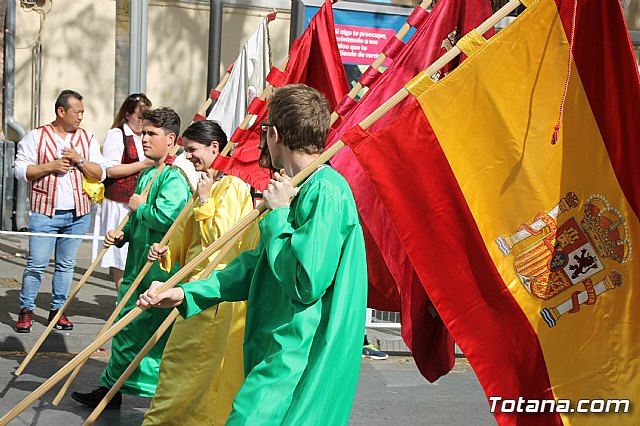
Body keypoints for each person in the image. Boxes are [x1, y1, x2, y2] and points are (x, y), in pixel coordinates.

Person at [139, 84, 368, 425]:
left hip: (299, 354)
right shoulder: (297, 186)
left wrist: (277, 215)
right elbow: (256, 266)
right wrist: (186, 292)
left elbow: (306, 282)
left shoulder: (326, 191)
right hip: (276, 346)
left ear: (274, 134)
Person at [71, 107, 192, 407]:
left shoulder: (174, 177)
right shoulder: (149, 172)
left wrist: (140, 208)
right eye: (143, 133)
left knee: (149, 337)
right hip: (137, 266)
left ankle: (153, 394)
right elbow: (138, 224)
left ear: (171, 138)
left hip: (157, 273)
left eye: (152, 134)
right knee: (124, 331)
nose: (144, 140)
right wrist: (121, 236)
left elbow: (169, 219)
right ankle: (111, 387)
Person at [143, 120, 259, 426]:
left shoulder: (232, 185)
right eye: (185, 150)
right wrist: (165, 251)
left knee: (193, 373)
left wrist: (206, 199)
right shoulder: (204, 183)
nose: (189, 157)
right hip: (193, 291)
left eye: (192, 150)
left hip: (214, 298)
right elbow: (186, 238)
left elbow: (222, 242)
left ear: (214, 148)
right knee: (178, 369)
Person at [14, 90, 105, 333]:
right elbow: (20, 171)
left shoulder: (87, 139)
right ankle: (26, 309)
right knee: (37, 263)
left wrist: (80, 160)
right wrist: (50, 166)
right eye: (77, 112)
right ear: (61, 111)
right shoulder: (36, 137)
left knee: (66, 264)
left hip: (78, 213)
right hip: (46, 211)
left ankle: (58, 310)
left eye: (83, 112)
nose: (81, 117)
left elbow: (101, 172)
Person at [98, 93, 153, 291]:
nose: (142, 123)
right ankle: (120, 296)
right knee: (120, 255)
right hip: (119, 202)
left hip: (139, 201)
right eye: (139, 118)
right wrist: (143, 164)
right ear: (128, 115)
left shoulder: (146, 137)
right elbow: (110, 170)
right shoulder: (117, 134)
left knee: (138, 249)